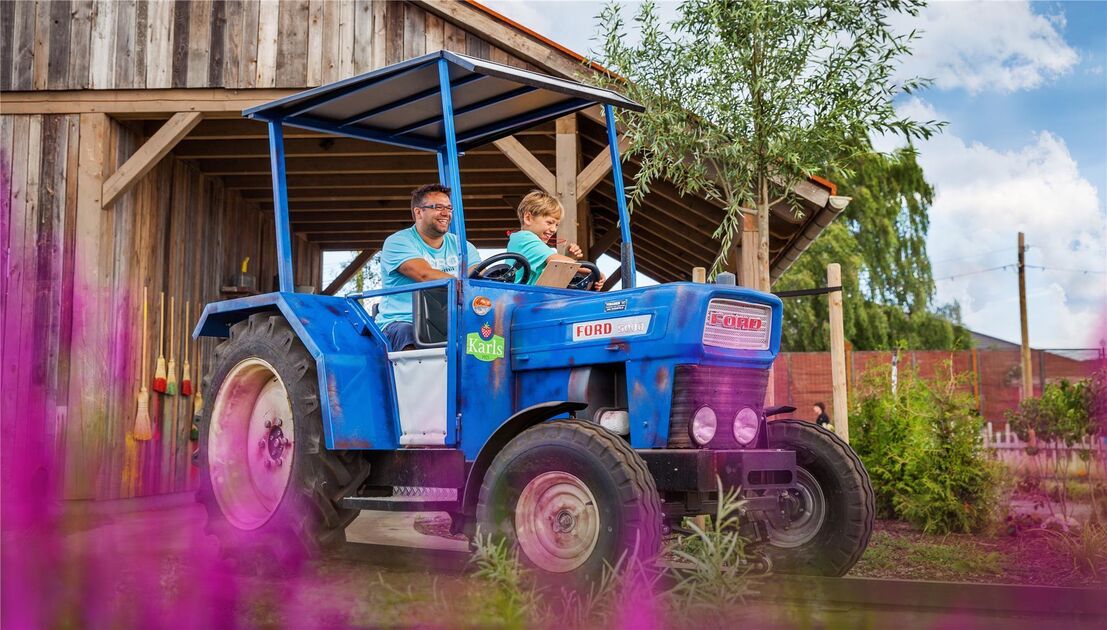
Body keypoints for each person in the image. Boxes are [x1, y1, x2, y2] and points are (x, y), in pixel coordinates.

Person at [375, 184, 480, 351]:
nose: (446, 213)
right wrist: (464, 284)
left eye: (448, 208)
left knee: (492, 334)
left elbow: (477, 279)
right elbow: (424, 275)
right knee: (410, 334)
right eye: (437, 207)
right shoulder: (398, 242)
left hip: (452, 322)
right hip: (405, 320)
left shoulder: (464, 247)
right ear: (418, 212)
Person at [506, 191, 604, 289]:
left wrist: (570, 257)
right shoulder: (524, 238)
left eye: (556, 225)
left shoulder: (525, 242)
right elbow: (554, 260)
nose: (554, 229)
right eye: (549, 222)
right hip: (519, 299)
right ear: (528, 218)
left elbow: (554, 270)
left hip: (526, 297)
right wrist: (593, 271)